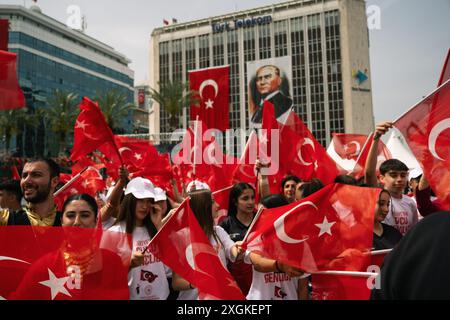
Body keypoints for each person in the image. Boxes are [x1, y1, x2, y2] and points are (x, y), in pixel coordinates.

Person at [11, 194, 129, 300]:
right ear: (62, 222)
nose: (77, 222)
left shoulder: (113, 262)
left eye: (85, 215)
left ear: (95, 221)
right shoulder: (45, 265)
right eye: (71, 215)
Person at [108, 177, 170, 300]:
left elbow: (169, 267)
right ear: (129, 201)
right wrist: (127, 263)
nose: (145, 206)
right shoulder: (113, 233)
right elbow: (107, 277)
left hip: (162, 296)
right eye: (140, 200)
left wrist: (159, 227)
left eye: (148, 201)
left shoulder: (155, 229)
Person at [171, 189, 240, 300]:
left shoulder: (219, 231)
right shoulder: (181, 237)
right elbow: (176, 282)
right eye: (212, 202)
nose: (217, 205)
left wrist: (239, 248)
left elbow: (233, 249)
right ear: (202, 206)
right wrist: (196, 283)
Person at [371, 211, 450, 299]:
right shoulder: (426, 229)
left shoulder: (396, 233)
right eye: (381, 203)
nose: (385, 209)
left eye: (387, 204)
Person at [244, 194, 309, 300]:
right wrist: (281, 266)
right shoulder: (254, 236)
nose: (259, 216)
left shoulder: (299, 241)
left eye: (263, 212)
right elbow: (258, 264)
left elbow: (303, 286)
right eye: (258, 212)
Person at [365, 122, 419, 236]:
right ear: (381, 178)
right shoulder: (376, 197)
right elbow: (369, 174)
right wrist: (376, 138)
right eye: (393, 175)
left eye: (403, 175)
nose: (399, 179)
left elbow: (414, 233)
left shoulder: (410, 203)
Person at [0, 158, 61, 226]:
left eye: (36, 175)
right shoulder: (5, 220)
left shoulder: (68, 221)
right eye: (24, 176)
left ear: (54, 181)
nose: (26, 180)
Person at [219, 182, 256, 295]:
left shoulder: (260, 219)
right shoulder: (225, 225)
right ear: (235, 202)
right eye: (245, 198)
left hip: (259, 276)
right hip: (235, 280)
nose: (250, 202)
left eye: (252, 198)